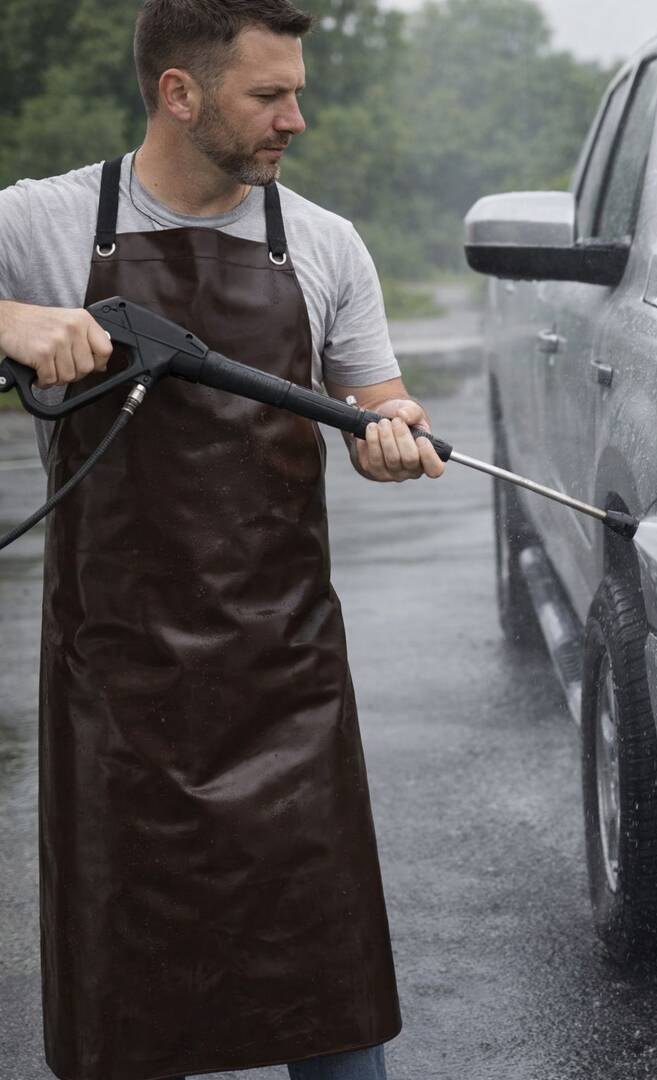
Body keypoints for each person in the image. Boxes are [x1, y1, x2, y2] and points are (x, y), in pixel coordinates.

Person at [0, 2, 445, 1078]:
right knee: (131, 1026)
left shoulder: (326, 242)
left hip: (285, 682)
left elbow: (383, 401)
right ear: (180, 93)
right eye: (269, 94)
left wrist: (394, 439)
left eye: (297, 89)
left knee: (335, 1013)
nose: (297, 117)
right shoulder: (43, 222)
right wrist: (8, 320)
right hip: (121, 693)